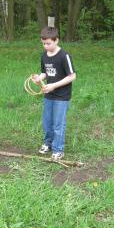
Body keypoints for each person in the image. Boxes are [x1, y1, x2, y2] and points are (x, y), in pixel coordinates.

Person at [32, 26, 76, 160]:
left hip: (62, 96)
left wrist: (54, 85)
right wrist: (39, 78)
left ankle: (58, 149)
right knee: (47, 122)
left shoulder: (64, 56)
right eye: (43, 43)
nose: (46, 46)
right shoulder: (44, 55)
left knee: (58, 123)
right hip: (49, 95)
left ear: (57, 40)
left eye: (48, 43)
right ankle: (48, 143)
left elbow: (72, 76)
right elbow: (45, 72)